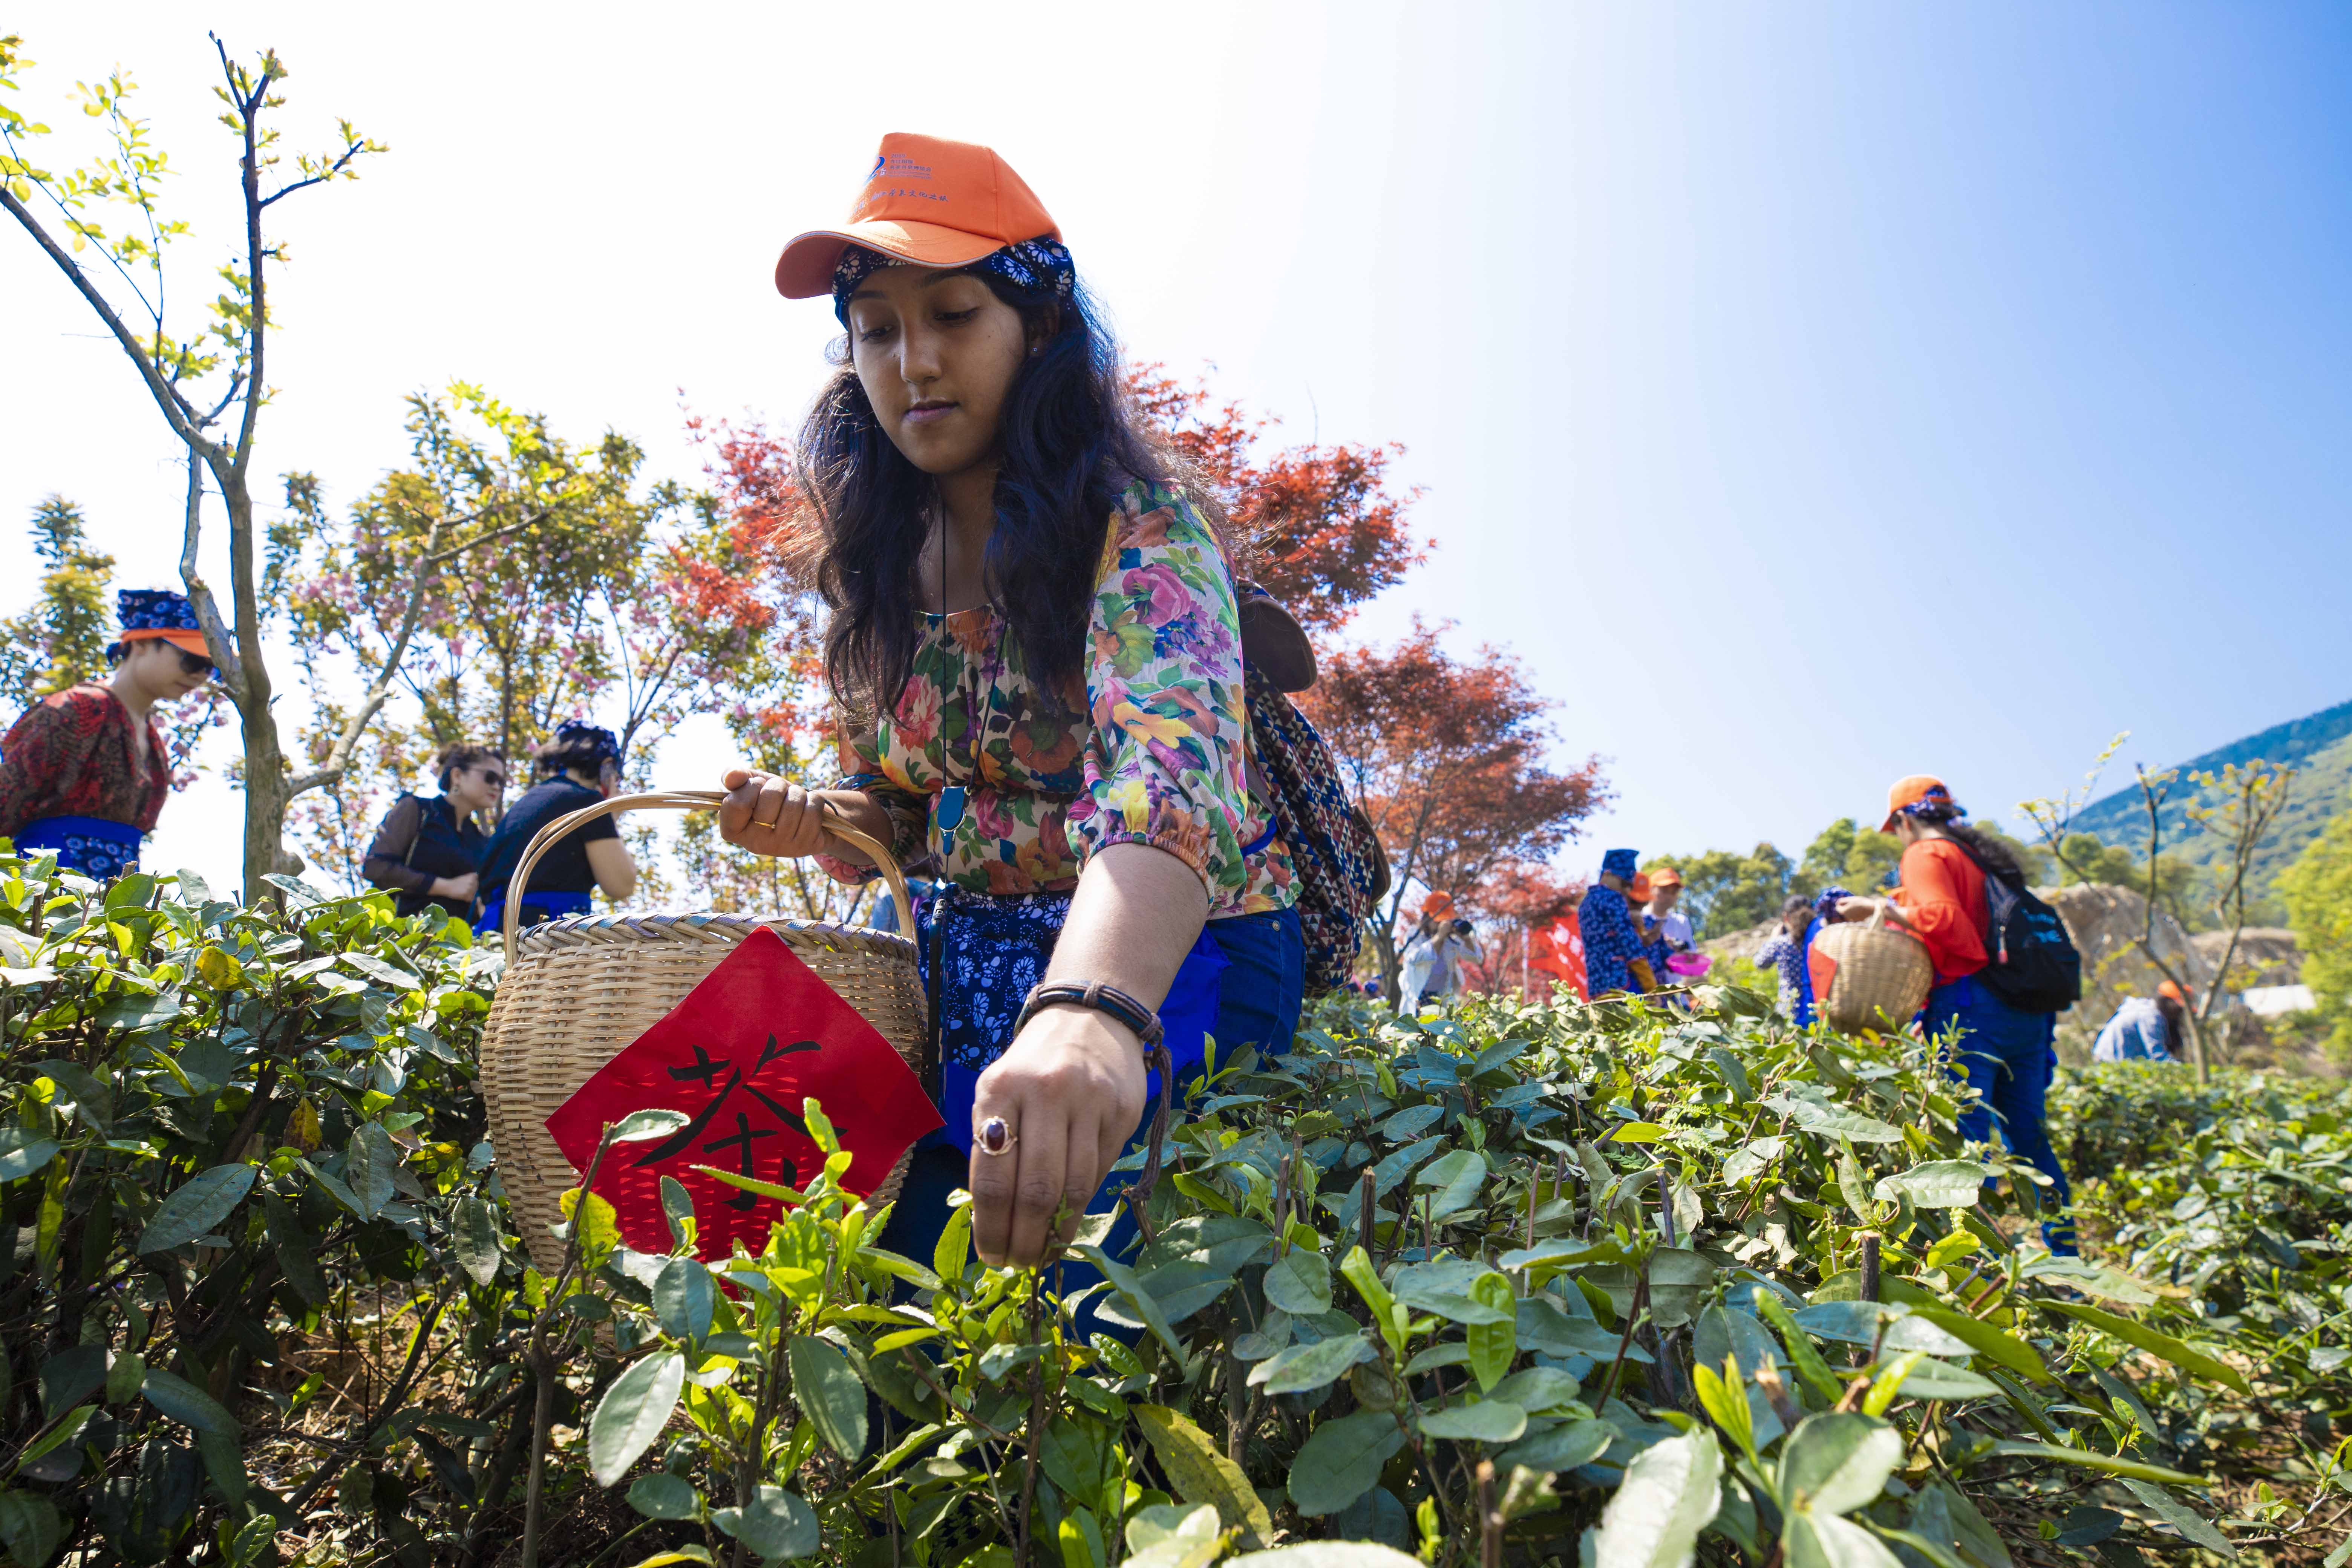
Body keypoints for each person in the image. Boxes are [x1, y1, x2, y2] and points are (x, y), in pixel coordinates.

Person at [715, 134, 1306, 1276]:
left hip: (1167, 951)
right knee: (871, 1275)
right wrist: (819, 820)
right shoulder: (875, 568)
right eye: (876, 328)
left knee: (1097, 1296)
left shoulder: (1137, 530)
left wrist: (1090, 1013)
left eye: (951, 314)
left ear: (1035, 330)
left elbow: (1168, 789)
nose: (912, 361)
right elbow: (895, 809)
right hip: (965, 950)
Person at [1841, 775, 2075, 1254]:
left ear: (1905, 820)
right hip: (2026, 1013)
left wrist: (1880, 907)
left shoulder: (1925, 855)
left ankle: (1975, 1264)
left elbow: (1951, 924)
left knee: (1966, 1143)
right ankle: (2065, 1256)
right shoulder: (1981, 859)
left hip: (1972, 1006)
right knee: (2029, 1135)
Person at [0, 588, 213, 879]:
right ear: (141, 642)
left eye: (210, 666)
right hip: (46, 897)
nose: (200, 675)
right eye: (191, 659)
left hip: (115, 903)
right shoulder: (76, 709)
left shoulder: (151, 739)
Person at [473, 723, 636, 932]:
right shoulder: (586, 802)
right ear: (607, 765)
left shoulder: (529, 800)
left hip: (494, 930)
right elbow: (621, 885)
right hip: (542, 935)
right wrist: (609, 816)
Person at [361, 744, 504, 922]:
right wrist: (445, 887)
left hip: (457, 945)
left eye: (502, 782)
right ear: (457, 776)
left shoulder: (481, 840)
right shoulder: (417, 810)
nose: (497, 787)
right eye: (490, 778)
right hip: (399, 938)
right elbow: (376, 867)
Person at [1752, 885, 1850, 1026]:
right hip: (1821, 1008)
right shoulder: (1821, 936)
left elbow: (1760, 963)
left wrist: (1773, 939)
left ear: (1786, 917)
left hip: (1790, 1011)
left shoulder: (1782, 943)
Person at [1577, 849, 1656, 997]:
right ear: (1608, 874)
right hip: (1622, 984)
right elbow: (1630, 945)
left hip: (1597, 987)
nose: (1626, 891)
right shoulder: (1613, 898)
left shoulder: (1585, 903)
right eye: (1625, 884)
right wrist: (1651, 986)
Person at [1397, 892, 1477, 1011]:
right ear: (1427, 916)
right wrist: (1439, 937)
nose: (1441, 923)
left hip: (1442, 994)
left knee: (1441, 1027)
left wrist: (1467, 939)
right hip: (1419, 993)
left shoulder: (1452, 939)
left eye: (1445, 920)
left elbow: (1475, 958)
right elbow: (1413, 958)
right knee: (1415, 1027)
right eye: (1438, 919)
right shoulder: (1415, 934)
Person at [2092, 978, 2187, 1064]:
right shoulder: (2150, 1016)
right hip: (2108, 1061)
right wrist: (2183, 1070)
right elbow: (2157, 1054)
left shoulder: (2156, 1016)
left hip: (2124, 1062)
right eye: (2178, 1008)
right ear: (2167, 1002)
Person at [1649, 866, 1694, 956]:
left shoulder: (1682, 921)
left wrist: (1680, 949)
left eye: (1674, 892)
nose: (1670, 896)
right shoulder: (1638, 920)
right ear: (1651, 890)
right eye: (1665, 890)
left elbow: (1692, 954)